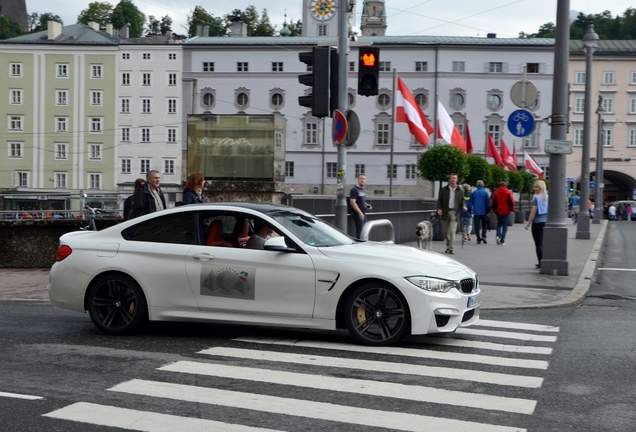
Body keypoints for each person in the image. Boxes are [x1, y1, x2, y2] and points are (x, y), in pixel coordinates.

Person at [437, 173, 466, 254]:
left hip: (455, 212)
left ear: (457, 179)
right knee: (446, 232)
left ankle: (451, 248)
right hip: (445, 211)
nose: (454, 180)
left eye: (455, 178)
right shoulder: (444, 189)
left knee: (452, 231)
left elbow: (462, 200)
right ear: (449, 179)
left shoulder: (460, 190)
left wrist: (463, 206)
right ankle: (448, 246)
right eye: (452, 178)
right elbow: (440, 200)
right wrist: (439, 209)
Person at [525, 180, 548, 269]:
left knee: (538, 244)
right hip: (546, 223)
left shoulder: (537, 198)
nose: (534, 188)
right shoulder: (548, 197)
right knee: (544, 243)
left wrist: (528, 223)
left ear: (541, 188)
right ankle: (544, 261)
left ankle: (540, 262)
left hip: (537, 223)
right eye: (534, 186)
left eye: (536, 187)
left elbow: (533, 212)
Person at [491, 181, 515, 246]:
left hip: (498, 211)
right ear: (505, 185)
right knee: (504, 226)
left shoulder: (496, 193)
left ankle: (498, 235)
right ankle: (502, 240)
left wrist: (494, 210)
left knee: (499, 224)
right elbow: (511, 202)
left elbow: (493, 202)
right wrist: (512, 209)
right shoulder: (508, 192)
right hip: (506, 211)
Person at [350, 173, 371, 239]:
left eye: (364, 179)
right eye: (361, 178)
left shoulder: (362, 190)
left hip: (363, 213)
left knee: (365, 232)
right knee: (360, 233)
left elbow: (362, 201)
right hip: (358, 214)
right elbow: (352, 202)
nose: (362, 180)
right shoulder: (354, 190)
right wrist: (360, 213)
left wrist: (367, 205)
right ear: (358, 179)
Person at [470, 180, 491, 245]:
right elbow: (488, 203)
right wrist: (488, 211)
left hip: (476, 212)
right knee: (484, 224)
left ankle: (478, 239)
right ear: (483, 185)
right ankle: (484, 236)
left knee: (477, 226)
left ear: (477, 185)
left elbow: (471, 202)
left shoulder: (474, 193)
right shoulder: (485, 193)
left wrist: (470, 210)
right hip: (484, 212)